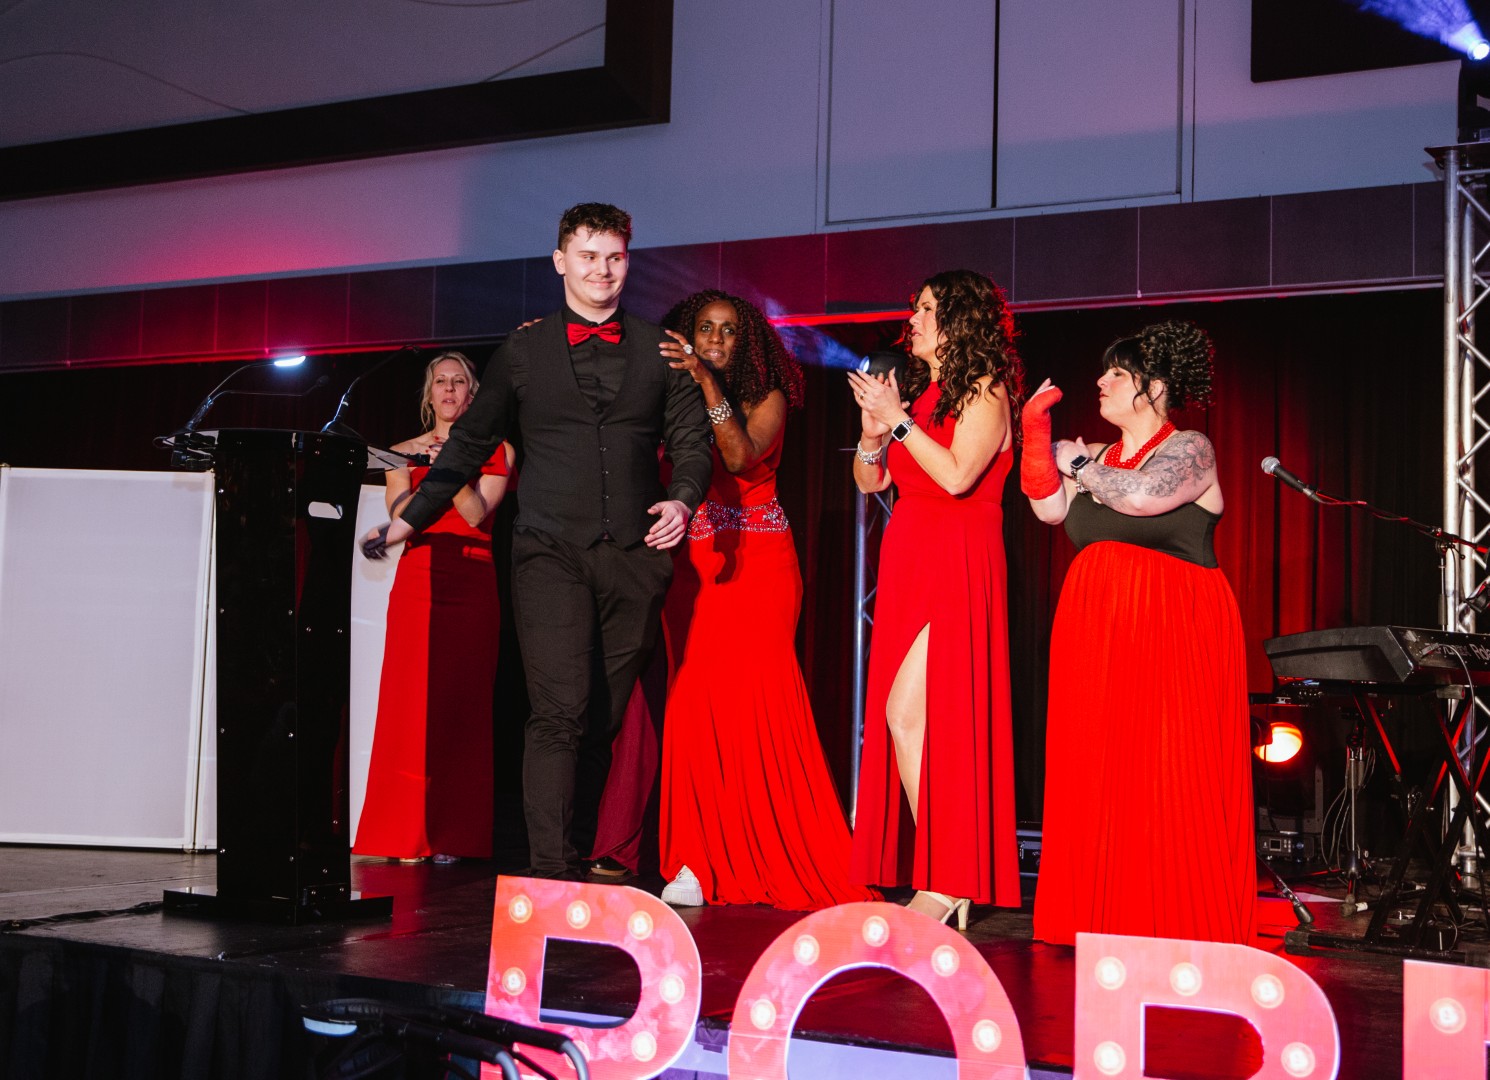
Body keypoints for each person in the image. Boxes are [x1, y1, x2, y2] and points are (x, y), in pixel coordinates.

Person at [363, 203, 713, 880]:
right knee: (558, 712)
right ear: (560, 262)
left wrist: (683, 498)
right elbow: (467, 445)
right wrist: (407, 522)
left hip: (635, 559)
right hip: (549, 552)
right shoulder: (523, 352)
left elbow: (692, 442)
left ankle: (576, 855)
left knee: (602, 719)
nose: (602, 271)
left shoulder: (660, 349)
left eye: (614, 258)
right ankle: (552, 875)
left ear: (628, 261)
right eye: (588, 257)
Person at [1020, 319, 1256, 945]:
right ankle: (1101, 916)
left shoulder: (1191, 448)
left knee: (1168, 769)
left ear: (1154, 386)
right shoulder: (1095, 457)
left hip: (1174, 626)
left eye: (1117, 374)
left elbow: (1145, 497)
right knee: (1100, 771)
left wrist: (1077, 462)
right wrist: (1037, 433)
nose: (1100, 381)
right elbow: (1048, 508)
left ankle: (1176, 921)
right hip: (1096, 629)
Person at [651, 290, 878, 910]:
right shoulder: (669, 397)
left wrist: (705, 382)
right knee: (693, 705)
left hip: (758, 563)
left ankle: (769, 846)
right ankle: (694, 856)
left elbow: (739, 455)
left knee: (757, 704)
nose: (716, 339)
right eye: (705, 328)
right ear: (687, 333)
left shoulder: (766, 397)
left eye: (729, 330)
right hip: (695, 564)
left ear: (746, 341)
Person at [846, 269, 1025, 929]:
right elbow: (870, 483)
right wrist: (874, 432)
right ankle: (949, 872)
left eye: (926, 309)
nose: (913, 319)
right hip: (910, 558)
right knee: (906, 719)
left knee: (913, 714)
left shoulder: (985, 390)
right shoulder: (922, 396)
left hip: (958, 558)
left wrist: (897, 421)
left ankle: (949, 876)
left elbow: (956, 477)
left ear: (958, 320)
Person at [354, 352, 514, 863]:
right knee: (408, 706)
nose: (448, 389)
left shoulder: (498, 449)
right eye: (440, 381)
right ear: (429, 394)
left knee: (459, 709)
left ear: (473, 393)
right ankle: (403, 833)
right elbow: (404, 516)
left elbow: (476, 515)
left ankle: (452, 835)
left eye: (458, 381)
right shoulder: (400, 453)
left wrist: (452, 466)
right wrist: (424, 467)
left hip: (472, 579)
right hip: (418, 578)